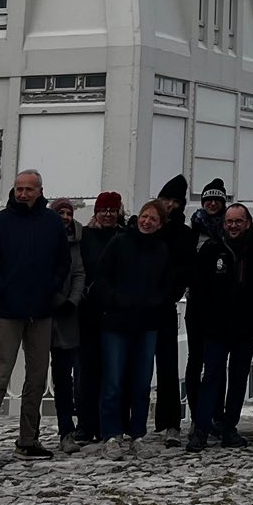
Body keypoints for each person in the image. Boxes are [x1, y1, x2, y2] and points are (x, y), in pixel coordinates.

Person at [0, 168, 70, 469]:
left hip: (41, 311)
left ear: (40, 191)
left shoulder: (53, 223)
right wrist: (1, 288)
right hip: (6, 310)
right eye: (19, 189)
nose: (23, 194)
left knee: (38, 377)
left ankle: (28, 440)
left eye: (28, 189)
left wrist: (50, 290)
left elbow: (62, 262)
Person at [187, 201, 253, 450]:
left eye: (238, 221)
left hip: (245, 329)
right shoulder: (211, 249)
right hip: (216, 328)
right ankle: (201, 430)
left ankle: (229, 429)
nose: (233, 226)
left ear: (247, 223)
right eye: (229, 222)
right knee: (212, 377)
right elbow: (199, 288)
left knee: (239, 380)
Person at [92, 199, 175, 454]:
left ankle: (137, 433)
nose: (147, 222)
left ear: (160, 224)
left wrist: (155, 302)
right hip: (116, 321)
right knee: (114, 381)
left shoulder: (162, 250)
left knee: (141, 382)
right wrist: (116, 299)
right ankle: (111, 434)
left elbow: (167, 285)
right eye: (144, 216)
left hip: (147, 323)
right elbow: (101, 276)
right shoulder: (119, 242)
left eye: (153, 219)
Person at [74, 192, 125, 441]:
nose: (108, 215)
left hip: (117, 312)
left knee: (114, 372)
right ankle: (86, 423)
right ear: (96, 212)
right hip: (89, 311)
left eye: (112, 210)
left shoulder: (123, 237)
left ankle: (110, 423)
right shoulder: (86, 237)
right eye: (104, 210)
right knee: (87, 370)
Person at [182, 178, 228, 424]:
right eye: (208, 199)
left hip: (220, 305)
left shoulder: (228, 230)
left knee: (217, 361)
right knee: (195, 359)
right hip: (196, 302)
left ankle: (217, 414)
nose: (212, 203)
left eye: (217, 199)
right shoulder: (194, 230)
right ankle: (198, 413)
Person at [153, 174, 195, 438]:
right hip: (139, 306)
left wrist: (170, 290)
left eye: (174, 201)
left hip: (166, 303)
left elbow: (185, 268)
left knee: (167, 365)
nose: (169, 205)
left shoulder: (184, 234)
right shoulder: (147, 226)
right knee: (134, 365)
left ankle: (171, 422)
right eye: (166, 199)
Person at [46, 197, 88, 453]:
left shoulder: (77, 242)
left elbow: (80, 273)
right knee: (38, 376)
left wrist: (71, 300)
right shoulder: (44, 239)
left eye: (68, 212)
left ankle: (67, 430)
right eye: (60, 212)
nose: (64, 217)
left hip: (68, 315)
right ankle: (30, 432)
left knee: (65, 377)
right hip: (43, 313)